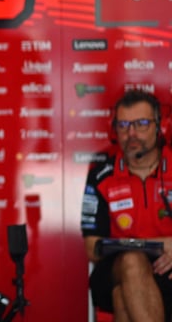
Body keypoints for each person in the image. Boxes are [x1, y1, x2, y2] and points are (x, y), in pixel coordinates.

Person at [80, 89, 172, 321]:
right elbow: (92, 247)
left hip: (167, 271)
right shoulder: (102, 174)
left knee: (123, 298)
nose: (132, 133)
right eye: (123, 125)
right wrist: (161, 245)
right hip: (114, 270)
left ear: (159, 126)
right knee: (132, 262)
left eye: (141, 124)